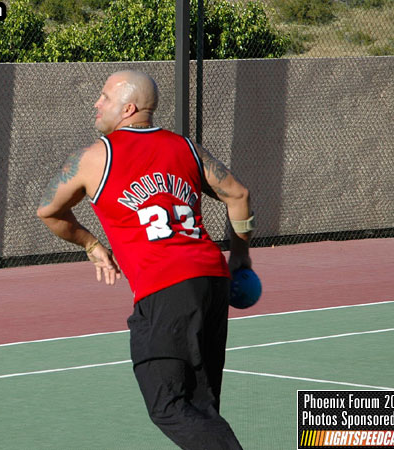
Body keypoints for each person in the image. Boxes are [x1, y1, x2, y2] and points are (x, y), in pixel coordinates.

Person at [36, 70, 253, 450]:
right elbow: (239, 195)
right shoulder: (186, 148)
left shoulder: (94, 157)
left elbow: (48, 211)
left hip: (164, 289)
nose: (96, 103)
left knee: (167, 405)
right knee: (201, 407)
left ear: (128, 108)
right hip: (211, 280)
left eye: (104, 97)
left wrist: (91, 245)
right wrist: (240, 259)